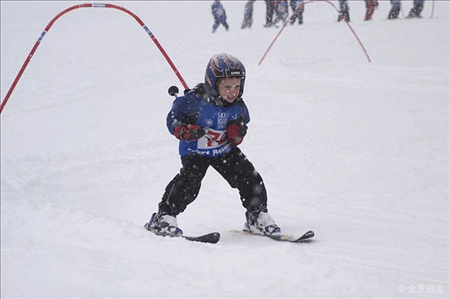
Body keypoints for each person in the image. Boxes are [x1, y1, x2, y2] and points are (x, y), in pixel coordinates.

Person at [145, 53, 281, 237]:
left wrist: (237, 133)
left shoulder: (238, 107)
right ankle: (164, 217)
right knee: (188, 184)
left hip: (224, 150)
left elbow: (242, 127)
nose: (232, 91)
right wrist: (183, 130)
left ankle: (257, 215)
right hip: (196, 151)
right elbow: (173, 119)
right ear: (213, 84)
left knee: (249, 176)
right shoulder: (192, 103)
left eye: (237, 86)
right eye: (227, 87)